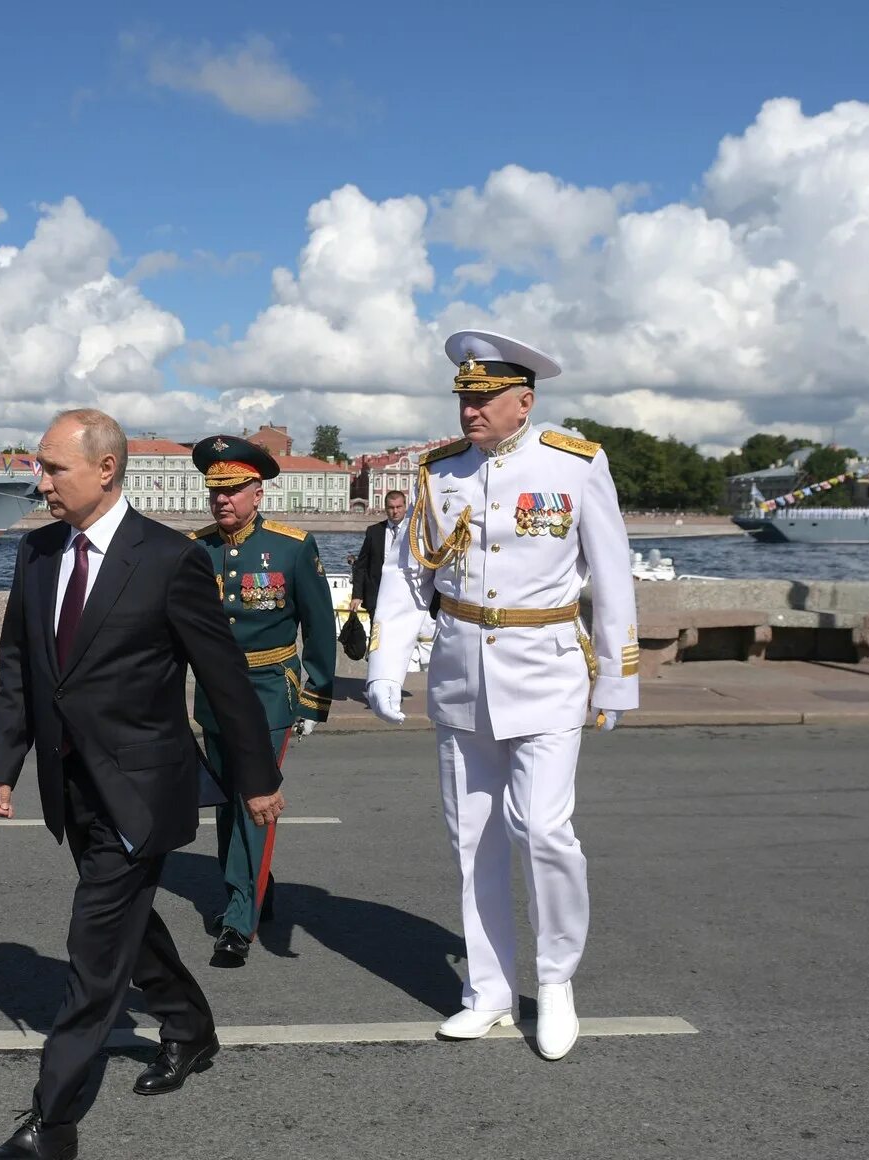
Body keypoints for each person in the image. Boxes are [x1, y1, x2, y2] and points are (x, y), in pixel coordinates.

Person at [0, 408, 285, 1160]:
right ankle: (190, 1026)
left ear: (106, 469)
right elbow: (22, 664)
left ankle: (52, 1122)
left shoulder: (169, 559)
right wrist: (3, 758)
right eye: (41, 467)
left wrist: (255, 777)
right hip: (69, 782)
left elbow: (224, 677)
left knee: (92, 947)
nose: (40, 481)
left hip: (144, 786)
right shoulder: (38, 553)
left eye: (54, 468)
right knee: (125, 927)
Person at [365, 330, 639, 1061]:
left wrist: (616, 676)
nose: (470, 410)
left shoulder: (575, 466)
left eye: (485, 398)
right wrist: (386, 667)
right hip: (460, 675)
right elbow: (405, 577)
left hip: (547, 669)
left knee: (544, 830)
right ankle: (486, 990)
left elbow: (612, 575)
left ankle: (555, 981)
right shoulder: (438, 472)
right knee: (473, 838)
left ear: (526, 400)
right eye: (464, 396)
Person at [186, 435, 336, 965]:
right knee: (229, 803)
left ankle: (238, 918)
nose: (221, 500)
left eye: (232, 490)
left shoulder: (293, 547)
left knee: (256, 803)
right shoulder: (197, 549)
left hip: (271, 691)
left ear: (258, 492)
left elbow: (320, 627)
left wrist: (314, 698)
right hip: (214, 696)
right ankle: (255, 886)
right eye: (214, 491)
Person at [349, 488, 408, 616]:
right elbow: (361, 566)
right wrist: (357, 595)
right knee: (377, 635)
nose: (395, 511)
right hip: (378, 597)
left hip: (406, 598)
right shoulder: (373, 532)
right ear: (386, 508)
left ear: (405, 507)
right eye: (391, 507)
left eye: (399, 507)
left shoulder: (414, 532)